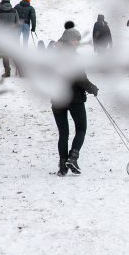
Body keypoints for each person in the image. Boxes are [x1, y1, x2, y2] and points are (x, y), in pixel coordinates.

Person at [52, 22, 99, 176]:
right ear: (70, 40)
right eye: (76, 39)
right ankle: (73, 158)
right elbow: (79, 78)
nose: (78, 42)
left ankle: (62, 166)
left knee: (63, 133)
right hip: (74, 99)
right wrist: (92, 88)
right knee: (81, 128)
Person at [0, 0, 20, 77]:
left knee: (5, 55)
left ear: (2, 1)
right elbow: (18, 24)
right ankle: (22, 72)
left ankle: (7, 72)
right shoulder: (14, 11)